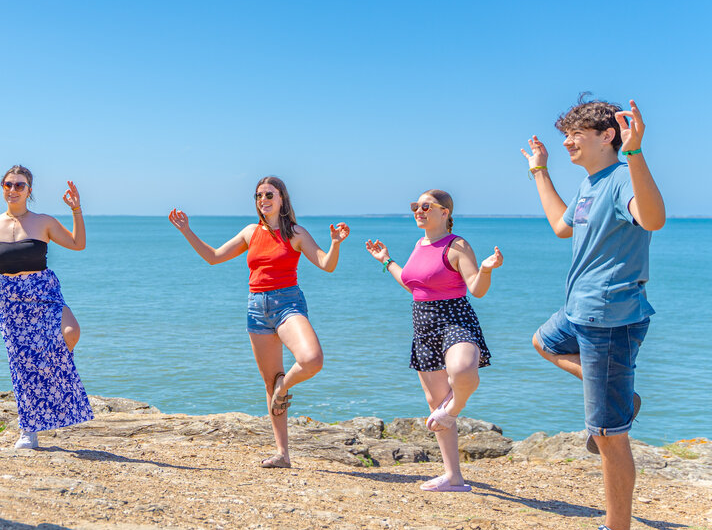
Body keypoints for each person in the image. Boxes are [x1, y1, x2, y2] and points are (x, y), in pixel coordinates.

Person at [523, 97, 664, 530]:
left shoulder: (623, 176)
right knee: (544, 341)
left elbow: (653, 219)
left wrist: (637, 152)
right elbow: (562, 227)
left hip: (609, 318)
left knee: (606, 433)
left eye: (575, 134)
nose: (566, 141)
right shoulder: (591, 183)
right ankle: (615, 397)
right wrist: (539, 171)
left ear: (608, 136)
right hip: (579, 312)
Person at [169, 177, 349, 468]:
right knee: (269, 381)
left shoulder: (296, 234)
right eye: (258, 195)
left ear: (281, 199)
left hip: (288, 304)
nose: (262, 199)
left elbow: (327, 265)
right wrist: (187, 231)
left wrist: (335, 243)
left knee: (311, 359)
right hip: (256, 308)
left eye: (269, 194)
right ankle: (282, 453)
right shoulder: (250, 232)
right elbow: (213, 257)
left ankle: (284, 386)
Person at [0, 166, 93, 449]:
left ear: (29, 190)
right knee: (22, 363)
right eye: (9, 184)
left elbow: (78, 243)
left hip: (44, 290)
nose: (13, 190)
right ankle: (29, 430)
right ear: (3, 187)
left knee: (70, 332)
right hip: (11, 299)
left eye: (20, 185)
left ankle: (54, 371)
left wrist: (76, 210)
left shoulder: (44, 222)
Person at [365, 190, 503, 492]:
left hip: (455, 318)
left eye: (426, 206)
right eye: (416, 206)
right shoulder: (420, 244)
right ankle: (453, 476)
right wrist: (386, 260)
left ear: (445, 212)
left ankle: (453, 409)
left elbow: (476, 289)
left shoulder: (456, 245)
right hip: (423, 324)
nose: (419, 211)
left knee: (464, 370)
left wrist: (487, 269)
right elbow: (414, 285)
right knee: (436, 402)